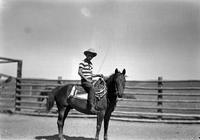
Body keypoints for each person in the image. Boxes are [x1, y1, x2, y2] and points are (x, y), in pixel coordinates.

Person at [78, 48, 103, 114]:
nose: (91, 57)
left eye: (92, 56)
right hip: (85, 81)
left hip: (90, 81)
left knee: (99, 87)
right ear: (86, 55)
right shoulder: (82, 62)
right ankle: (91, 107)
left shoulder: (90, 64)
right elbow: (79, 72)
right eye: (89, 55)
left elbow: (90, 74)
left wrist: (98, 75)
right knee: (92, 88)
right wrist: (86, 79)